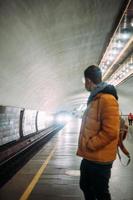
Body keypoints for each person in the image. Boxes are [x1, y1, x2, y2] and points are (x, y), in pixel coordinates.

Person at [77, 65, 120, 200]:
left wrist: (91, 144)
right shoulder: (95, 98)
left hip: (100, 158)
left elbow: (111, 131)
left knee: (100, 193)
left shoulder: (107, 99)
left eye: (84, 81)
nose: (85, 84)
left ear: (88, 80)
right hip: (91, 156)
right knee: (85, 185)